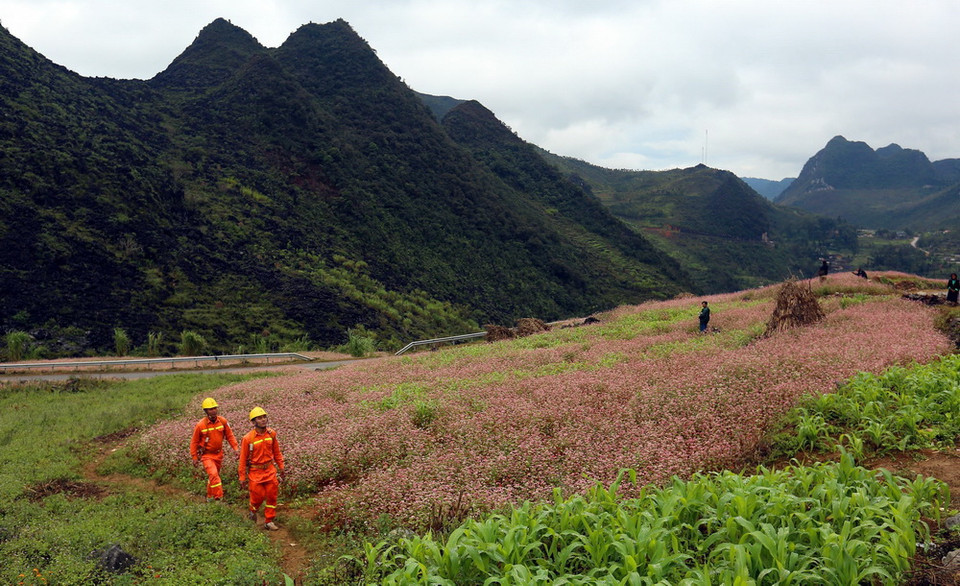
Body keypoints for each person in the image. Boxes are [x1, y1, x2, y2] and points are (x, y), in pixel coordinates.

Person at [239, 406, 285, 531]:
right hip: (255, 472)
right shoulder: (248, 439)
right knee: (257, 496)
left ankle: (269, 521)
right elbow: (242, 459)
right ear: (254, 422)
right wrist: (242, 477)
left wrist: (281, 467)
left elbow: (277, 452)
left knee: (272, 496)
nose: (263, 420)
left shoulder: (272, 434)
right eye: (259, 418)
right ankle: (252, 510)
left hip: (270, 470)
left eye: (264, 417)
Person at [190, 397, 239, 502]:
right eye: (210, 409)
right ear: (206, 411)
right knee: (213, 474)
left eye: (214, 408)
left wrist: (236, 448)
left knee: (213, 477)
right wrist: (194, 457)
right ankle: (219, 498)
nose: (213, 411)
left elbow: (230, 436)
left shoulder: (222, 421)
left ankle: (209, 496)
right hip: (207, 455)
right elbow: (194, 442)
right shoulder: (200, 425)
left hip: (219, 454)